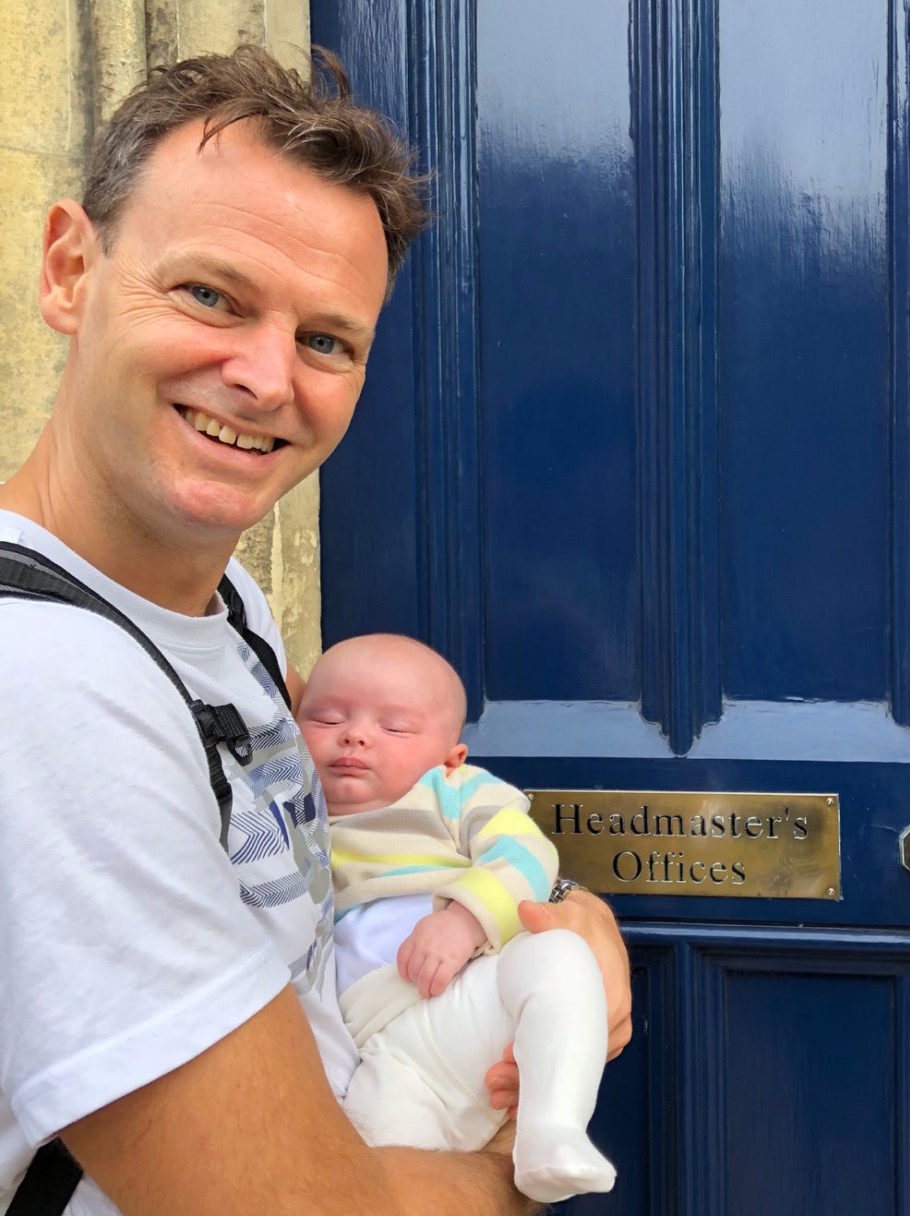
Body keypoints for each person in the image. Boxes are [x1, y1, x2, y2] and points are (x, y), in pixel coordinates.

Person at [0, 46, 631, 1215]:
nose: (262, 376)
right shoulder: (40, 691)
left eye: (327, 341)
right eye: (210, 295)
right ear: (69, 269)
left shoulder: (224, 599)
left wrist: (564, 916)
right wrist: (505, 1180)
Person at [295, 633, 616, 1204]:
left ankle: (552, 1132)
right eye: (326, 718)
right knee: (378, 1163)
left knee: (560, 959)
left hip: (477, 995)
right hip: (384, 1048)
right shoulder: (298, 817)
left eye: (393, 728)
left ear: (451, 755)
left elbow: (527, 854)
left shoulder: (453, 792)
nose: (355, 734)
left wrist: (465, 920)